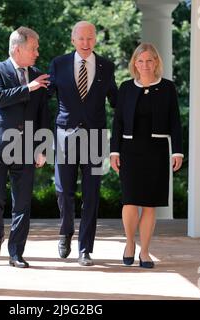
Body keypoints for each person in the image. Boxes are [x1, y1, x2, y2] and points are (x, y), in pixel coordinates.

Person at [0, 27, 50, 268]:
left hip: (26, 146)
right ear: (18, 49)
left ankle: (16, 252)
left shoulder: (38, 75)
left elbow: (42, 115)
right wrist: (29, 88)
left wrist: (42, 147)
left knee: (23, 203)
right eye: (33, 48)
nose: (37, 52)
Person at [49, 21, 118, 266]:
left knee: (92, 195)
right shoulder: (58, 64)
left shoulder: (107, 67)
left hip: (96, 139)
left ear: (95, 40)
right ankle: (66, 231)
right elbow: (44, 97)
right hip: (64, 136)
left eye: (90, 38)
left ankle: (85, 249)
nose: (86, 43)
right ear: (73, 40)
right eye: (81, 39)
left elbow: (117, 102)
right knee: (63, 191)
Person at [110, 43, 183, 268]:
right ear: (134, 64)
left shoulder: (168, 88)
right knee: (130, 201)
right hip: (130, 151)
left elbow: (175, 122)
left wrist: (178, 151)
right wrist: (114, 151)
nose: (145, 65)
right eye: (140, 61)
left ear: (156, 62)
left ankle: (145, 251)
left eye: (149, 60)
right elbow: (118, 122)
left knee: (150, 204)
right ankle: (130, 243)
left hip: (157, 151)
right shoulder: (126, 88)